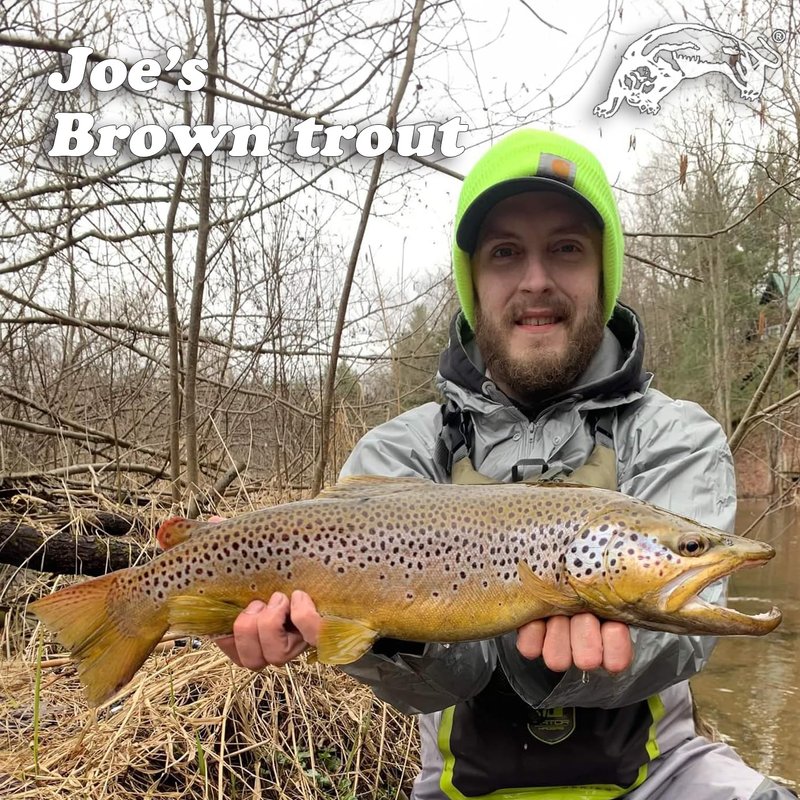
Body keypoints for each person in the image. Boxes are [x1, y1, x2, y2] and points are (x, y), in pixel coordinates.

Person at [216, 129, 793, 799]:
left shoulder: (675, 434)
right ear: (473, 281)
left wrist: (607, 644)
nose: (536, 280)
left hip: (662, 778)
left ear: (603, 273)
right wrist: (352, 626)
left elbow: (684, 635)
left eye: (567, 249)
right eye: (505, 253)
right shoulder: (401, 451)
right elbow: (436, 685)